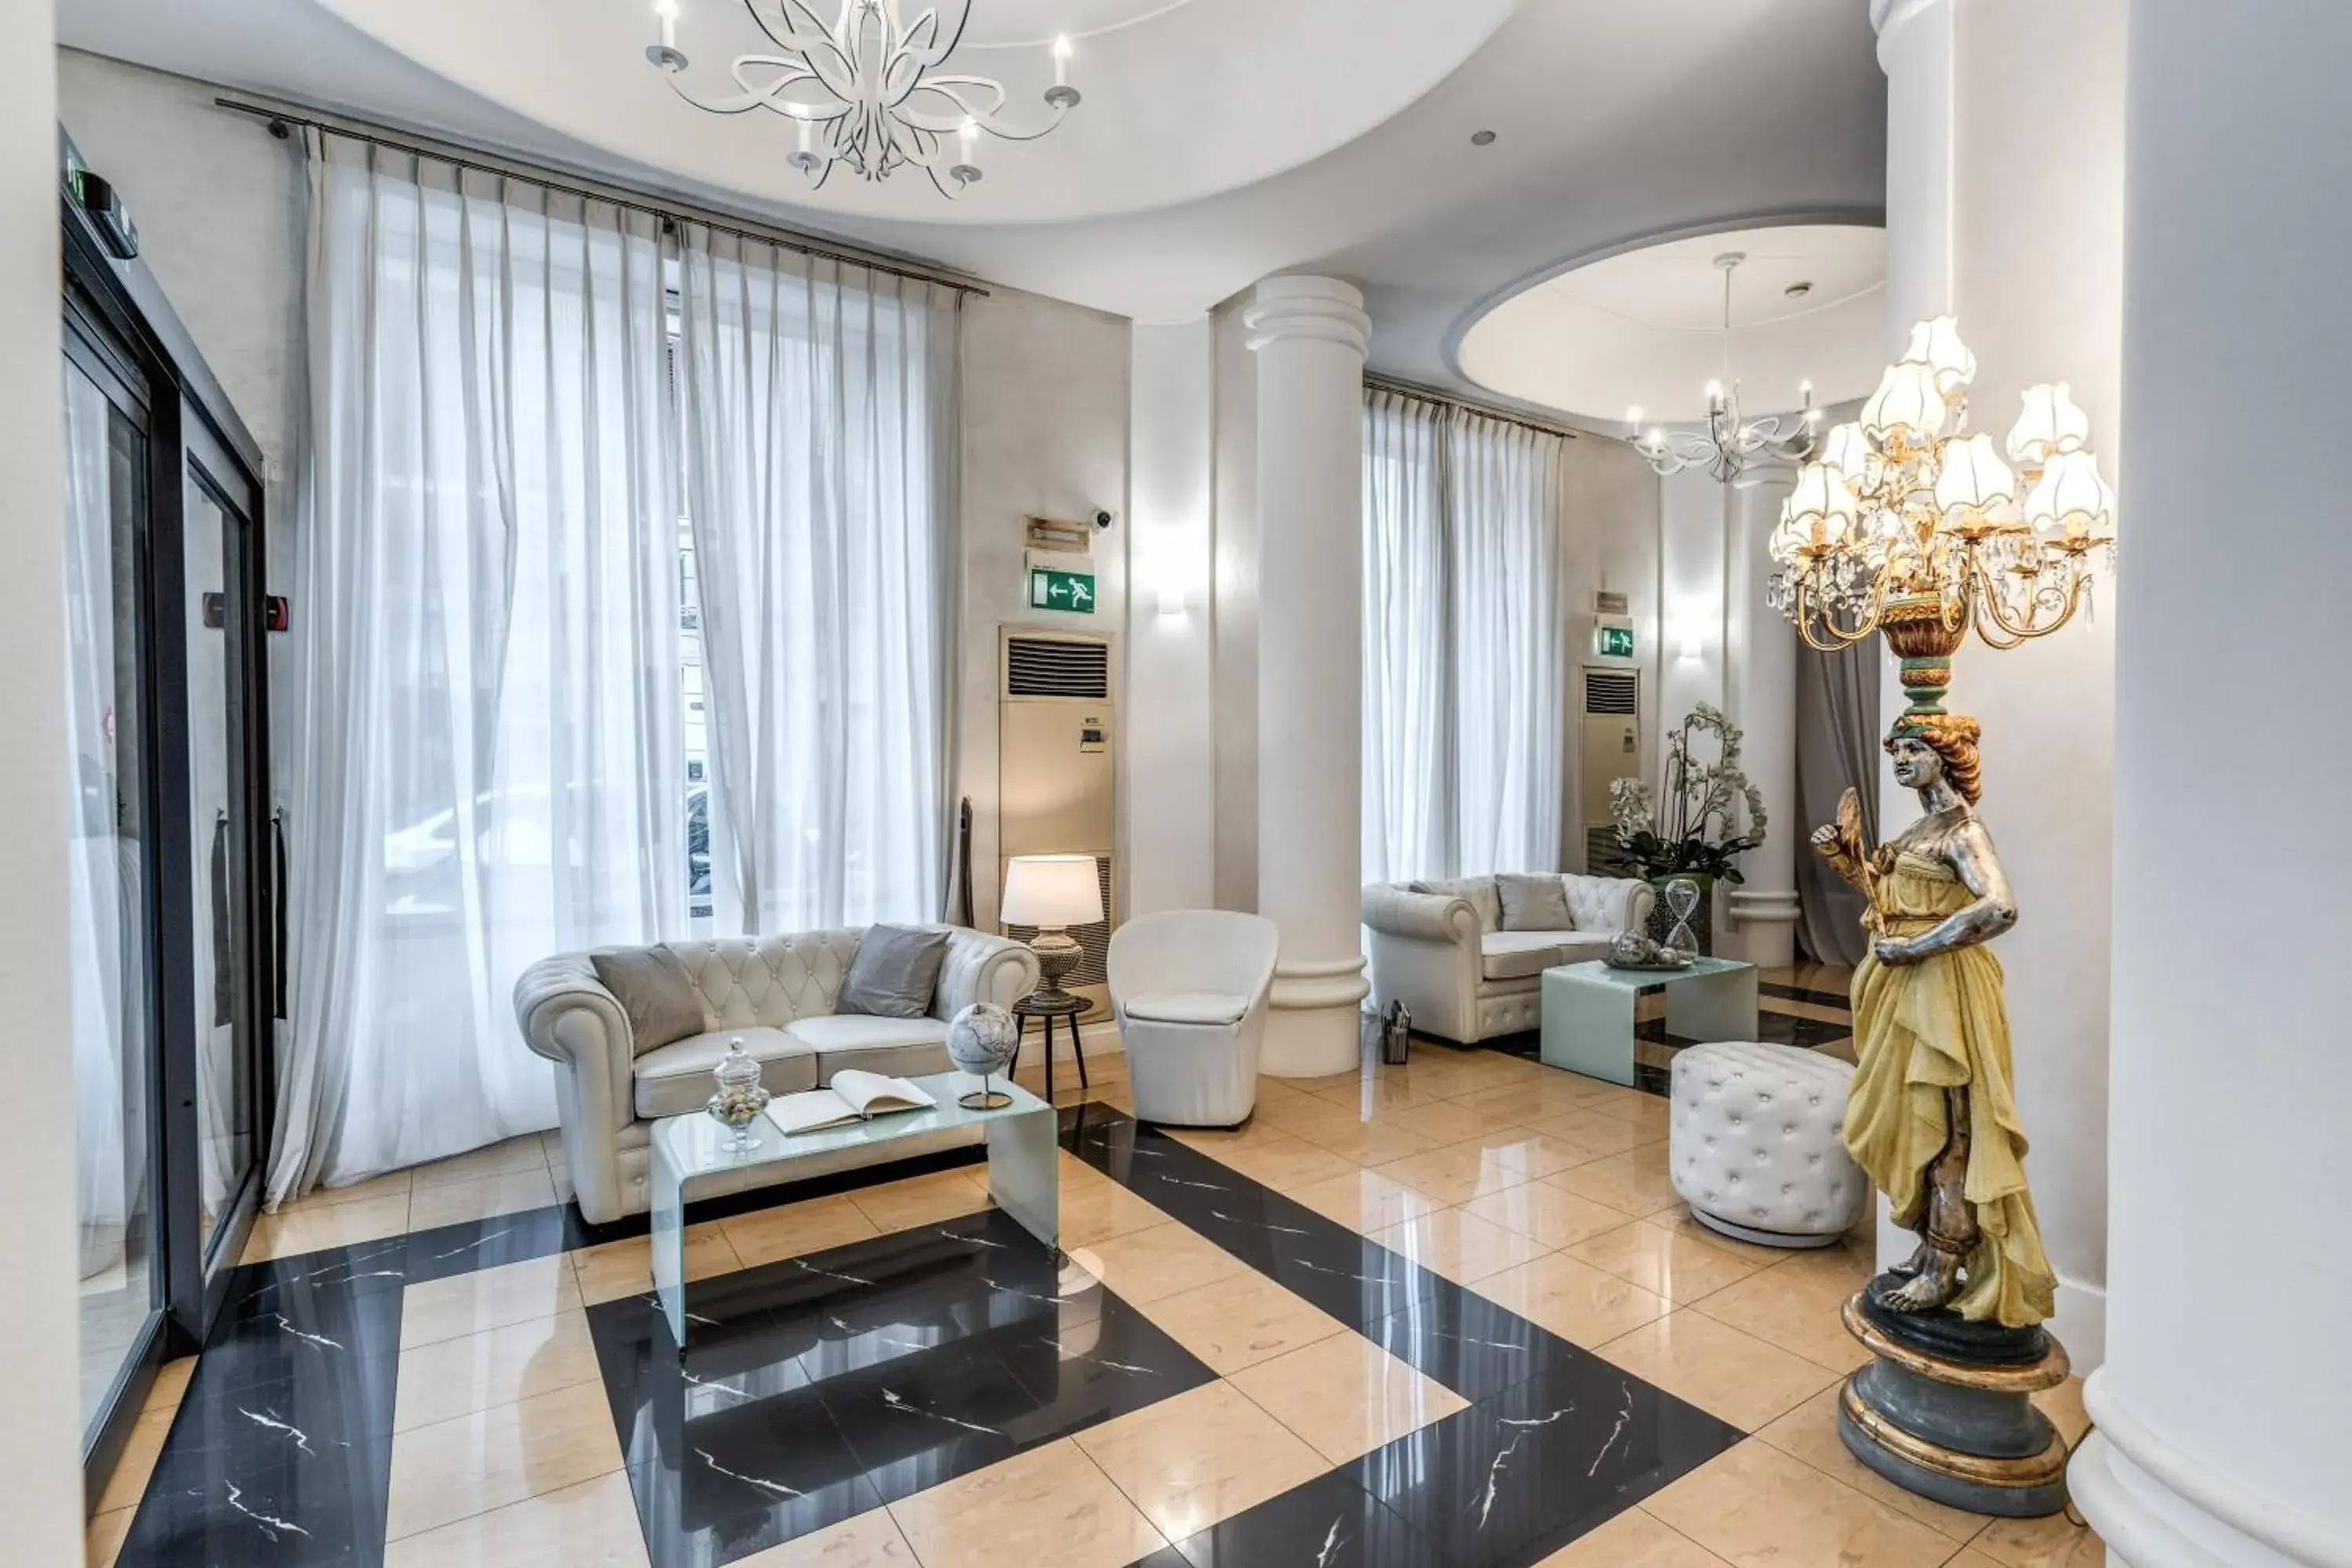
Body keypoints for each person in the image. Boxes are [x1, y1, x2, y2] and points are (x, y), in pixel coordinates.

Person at [1811, 712, 2056, 1326]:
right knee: (1910, 1122)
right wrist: (1847, 862)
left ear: (1948, 757)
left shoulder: (1965, 831)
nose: (1900, 758)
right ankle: (1929, 1250)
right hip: (1902, 989)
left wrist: (1918, 949)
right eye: (1896, 748)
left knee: (1950, 1135)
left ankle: (1946, 1269)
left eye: (1914, 748)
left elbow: (1999, 908)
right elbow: (1895, 901)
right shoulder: (1924, 825)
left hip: (1941, 993)